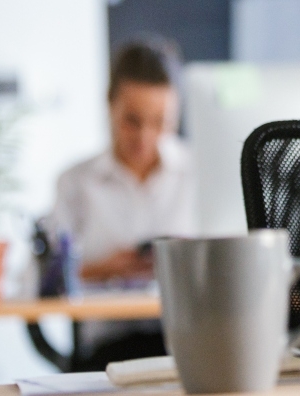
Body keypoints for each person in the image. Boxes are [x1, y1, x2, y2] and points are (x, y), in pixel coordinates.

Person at [46, 40, 197, 367]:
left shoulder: (199, 173)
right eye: (132, 120)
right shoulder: (76, 182)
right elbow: (42, 281)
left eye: (160, 122)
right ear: (109, 105)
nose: (145, 137)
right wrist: (101, 270)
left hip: (190, 341)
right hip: (108, 350)